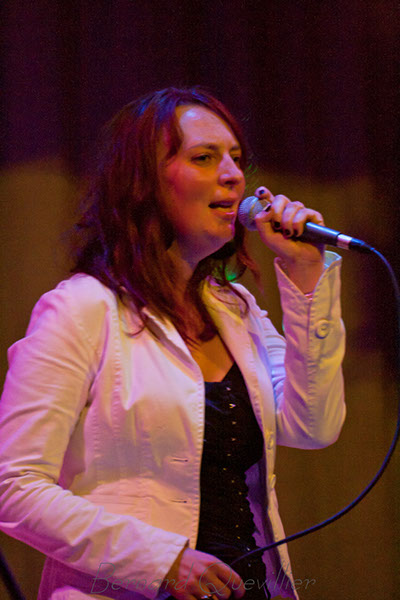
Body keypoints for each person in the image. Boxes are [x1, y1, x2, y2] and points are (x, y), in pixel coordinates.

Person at [0, 87, 346, 600]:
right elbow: (14, 486)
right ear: (143, 182)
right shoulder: (83, 308)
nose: (232, 175)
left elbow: (313, 426)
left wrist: (306, 272)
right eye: (204, 158)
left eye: (236, 159)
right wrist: (162, 561)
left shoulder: (237, 310)